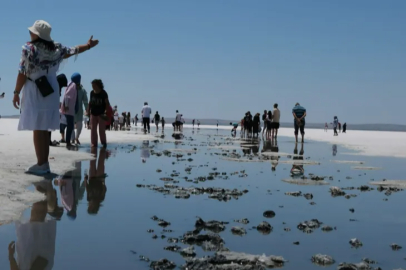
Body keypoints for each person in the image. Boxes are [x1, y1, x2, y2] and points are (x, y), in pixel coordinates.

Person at [12, 20, 99, 174]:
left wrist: (16, 92)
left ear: (36, 34)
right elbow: (75, 50)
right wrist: (89, 45)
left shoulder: (29, 49)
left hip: (35, 88)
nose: (30, 33)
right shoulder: (56, 48)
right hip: (51, 89)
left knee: (38, 128)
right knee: (44, 128)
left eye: (32, 31)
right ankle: (44, 163)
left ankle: (41, 164)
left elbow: (22, 73)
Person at [87, 79, 109, 148]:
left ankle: (103, 142)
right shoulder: (91, 93)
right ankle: (94, 143)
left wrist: (106, 111)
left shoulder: (103, 93)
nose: (92, 86)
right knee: (93, 129)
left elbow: (107, 103)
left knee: (101, 130)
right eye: (92, 85)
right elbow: (90, 102)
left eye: (94, 85)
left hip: (101, 114)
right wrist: (88, 110)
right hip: (93, 114)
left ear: (98, 85)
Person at [49, 74, 68, 147]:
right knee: (48, 126)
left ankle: (48, 141)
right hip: (51, 108)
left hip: (51, 108)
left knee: (48, 126)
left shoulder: (54, 84)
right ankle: (48, 141)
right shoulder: (56, 87)